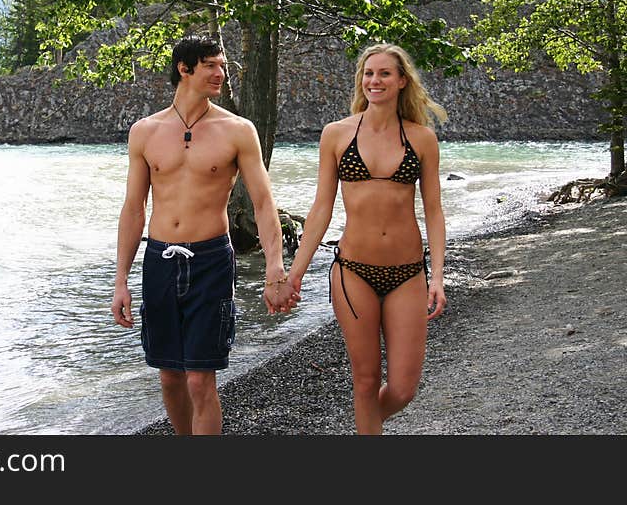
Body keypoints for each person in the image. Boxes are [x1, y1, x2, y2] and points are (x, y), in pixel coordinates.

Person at [111, 35, 299, 435]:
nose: (221, 73)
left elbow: (264, 203)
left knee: (200, 378)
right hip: (160, 260)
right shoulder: (145, 131)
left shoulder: (237, 130)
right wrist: (120, 281)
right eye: (212, 65)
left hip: (211, 261)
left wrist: (275, 269)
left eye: (223, 65)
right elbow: (133, 209)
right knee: (169, 377)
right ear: (185, 68)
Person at [286, 42, 447, 435]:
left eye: (384, 74)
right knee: (366, 379)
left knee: (405, 387)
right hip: (352, 271)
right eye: (368, 73)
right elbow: (321, 208)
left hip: (408, 273)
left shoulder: (421, 138)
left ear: (402, 81)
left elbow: (434, 211)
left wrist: (438, 276)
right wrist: (295, 274)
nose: (375, 80)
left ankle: (364, 428)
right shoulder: (336, 134)